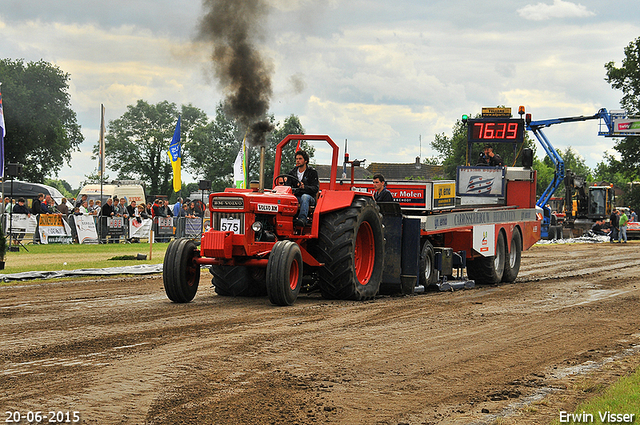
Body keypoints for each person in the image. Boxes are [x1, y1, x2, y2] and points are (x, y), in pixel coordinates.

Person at [282, 150, 319, 227]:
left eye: (300, 158)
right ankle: (286, 219)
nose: (298, 160)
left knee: (304, 197)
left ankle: (302, 219)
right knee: (288, 198)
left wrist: (304, 187)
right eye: (296, 159)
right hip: (296, 196)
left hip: (309, 197)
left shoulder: (312, 172)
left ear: (305, 160)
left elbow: (315, 188)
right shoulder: (292, 172)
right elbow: (287, 186)